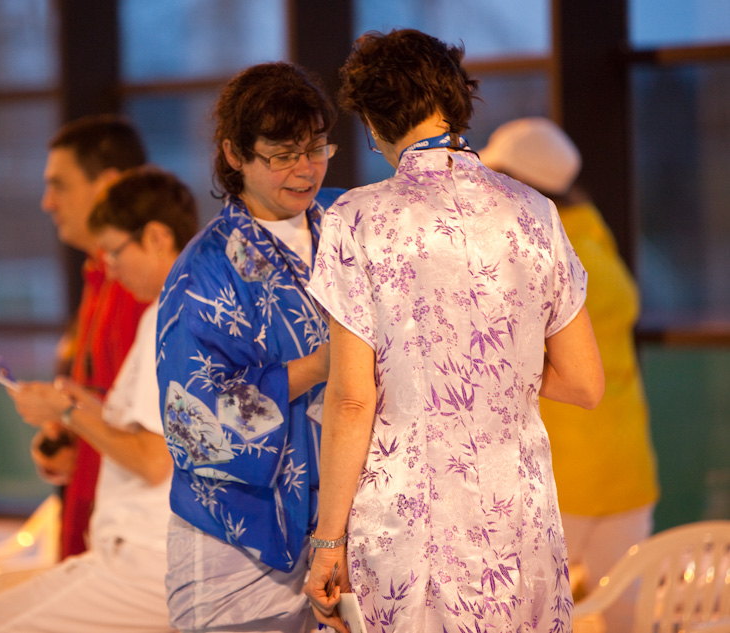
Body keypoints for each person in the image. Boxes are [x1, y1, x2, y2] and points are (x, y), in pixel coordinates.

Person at [303, 30, 604, 632]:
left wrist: (329, 542)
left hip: (408, 531)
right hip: (520, 529)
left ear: (373, 124)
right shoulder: (536, 212)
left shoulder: (356, 219)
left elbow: (353, 398)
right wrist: (492, 361)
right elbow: (584, 383)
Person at [0, 166, 197, 633]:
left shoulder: (176, 312)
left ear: (157, 237)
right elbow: (144, 433)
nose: (109, 267)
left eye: (115, 251)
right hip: (130, 551)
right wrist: (80, 408)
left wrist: (70, 413)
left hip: (151, 560)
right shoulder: (165, 307)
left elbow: (155, 461)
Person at [156, 61, 337, 633]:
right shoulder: (205, 271)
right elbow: (196, 423)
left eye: (316, 148)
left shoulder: (345, 226)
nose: (305, 169)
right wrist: (320, 367)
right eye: (282, 155)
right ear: (235, 155)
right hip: (238, 543)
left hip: (339, 532)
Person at [480, 116, 659, 629]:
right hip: (625, 462)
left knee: (529, 615)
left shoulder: (528, 246)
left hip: (560, 472)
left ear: (515, 183)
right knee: (626, 613)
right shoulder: (593, 233)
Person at [14, 114, 149, 560]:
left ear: (107, 185)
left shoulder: (137, 290)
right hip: (93, 526)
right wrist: (69, 436)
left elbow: (149, 445)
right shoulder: (99, 276)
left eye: (59, 186)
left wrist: (68, 413)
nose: (47, 203)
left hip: (121, 541)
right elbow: (107, 409)